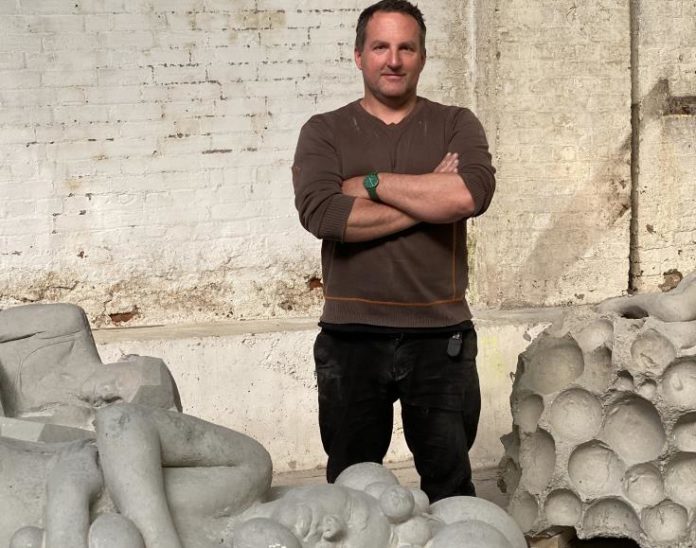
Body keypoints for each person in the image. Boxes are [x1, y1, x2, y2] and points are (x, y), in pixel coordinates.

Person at [292, 0, 496, 501]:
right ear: (358, 55)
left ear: (422, 57)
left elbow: (469, 196)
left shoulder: (455, 123)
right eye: (380, 47)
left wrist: (371, 183)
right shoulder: (324, 130)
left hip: (441, 337)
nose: (393, 60)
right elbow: (325, 216)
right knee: (352, 491)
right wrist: (428, 200)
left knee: (450, 487)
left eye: (407, 48)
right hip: (351, 337)